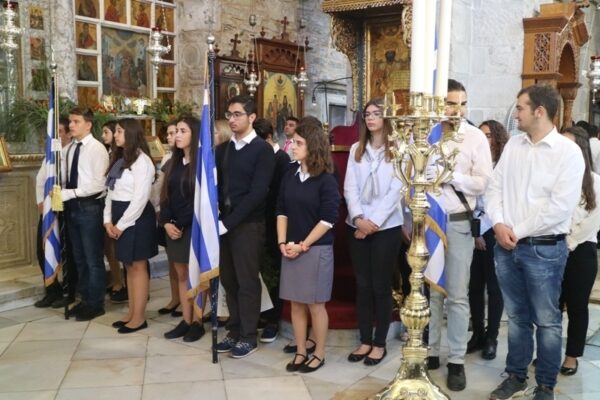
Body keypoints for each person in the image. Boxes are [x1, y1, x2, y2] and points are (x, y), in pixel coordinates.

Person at [486, 85, 584, 400]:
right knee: (516, 317)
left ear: (539, 111)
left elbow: (559, 208)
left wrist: (515, 230)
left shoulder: (568, 152)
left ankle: (545, 385)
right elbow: (494, 187)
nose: (515, 114)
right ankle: (516, 376)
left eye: (520, 108)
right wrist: (498, 224)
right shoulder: (514, 145)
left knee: (547, 320)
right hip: (506, 246)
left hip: (545, 249)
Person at [427, 79, 493, 392]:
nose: (458, 110)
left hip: (457, 221)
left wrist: (452, 176)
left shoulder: (475, 137)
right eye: (451, 104)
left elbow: (483, 182)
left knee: (456, 294)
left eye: (463, 103)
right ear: (439, 105)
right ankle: (431, 351)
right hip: (429, 221)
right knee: (432, 289)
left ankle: (455, 360)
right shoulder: (427, 134)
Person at [277, 120, 341, 373]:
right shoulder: (290, 175)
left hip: (316, 249)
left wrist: (303, 245)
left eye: (298, 143)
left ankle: (320, 353)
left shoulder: (325, 179)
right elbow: (281, 210)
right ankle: (301, 351)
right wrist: (282, 242)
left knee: (315, 305)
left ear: (312, 146)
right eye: (293, 142)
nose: (292, 146)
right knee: (295, 303)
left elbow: (328, 219)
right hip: (291, 247)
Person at [344, 97, 403, 366]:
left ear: (386, 117)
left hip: (386, 227)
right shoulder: (356, 149)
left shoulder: (398, 149)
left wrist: (373, 224)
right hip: (357, 225)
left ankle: (379, 343)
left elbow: (396, 190)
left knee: (381, 285)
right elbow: (350, 188)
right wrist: (359, 219)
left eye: (376, 113)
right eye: (367, 114)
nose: (370, 118)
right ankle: (365, 340)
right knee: (363, 285)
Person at [215, 95, 275, 358]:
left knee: (247, 281)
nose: (232, 119)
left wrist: (229, 222)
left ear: (251, 117)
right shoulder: (223, 149)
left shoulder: (262, 150)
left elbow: (258, 193)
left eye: (237, 114)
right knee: (229, 280)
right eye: (229, 114)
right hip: (224, 224)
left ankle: (249, 336)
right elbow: (218, 187)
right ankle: (235, 329)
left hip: (248, 225)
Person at [104, 118, 157, 333]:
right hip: (119, 216)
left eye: (119, 131)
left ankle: (139, 317)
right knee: (127, 264)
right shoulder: (119, 159)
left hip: (136, 218)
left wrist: (122, 225)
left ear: (131, 133)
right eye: (115, 131)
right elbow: (110, 192)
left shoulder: (142, 161)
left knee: (137, 266)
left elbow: (140, 198)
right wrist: (107, 220)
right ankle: (131, 312)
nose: (115, 135)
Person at [558, 126, 600, 376]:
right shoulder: (556, 178)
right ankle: (548, 351)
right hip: (553, 248)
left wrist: (568, 243)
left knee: (576, 306)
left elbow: (592, 223)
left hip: (581, 251)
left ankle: (571, 356)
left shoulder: (595, 182)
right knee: (550, 306)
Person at [159, 116, 206, 342]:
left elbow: (198, 201)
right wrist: (166, 222)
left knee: (196, 275)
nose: (177, 135)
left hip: (193, 227)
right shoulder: (173, 163)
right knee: (181, 274)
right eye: (176, 130)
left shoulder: (201, 164)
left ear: (194, 134)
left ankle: (197, 321)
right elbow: (165, 196)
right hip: (174, 227)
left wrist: (178, 223)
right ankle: (185, 320)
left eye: (182, 131)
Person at [61, 107, 109, 321]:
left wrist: (71, 193)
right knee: (79, 257)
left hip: (89, 207)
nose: (71, 125)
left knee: (92, 258)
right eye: (70, 121)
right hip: (72, 206)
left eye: (76, 121)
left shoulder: (97, 149)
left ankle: (96, 303)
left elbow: (99, 184)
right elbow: (67, 176)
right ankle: (85, 299)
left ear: (88, 125)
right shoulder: (70, 148)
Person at [466, 120, 509, 360]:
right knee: (474, 286)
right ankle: (478, 333)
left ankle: (492, 336)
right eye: (481, 135)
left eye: (489, 135)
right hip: (472, 228)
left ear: (498, 138)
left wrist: (483, 231)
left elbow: (498, 201)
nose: (485, 139)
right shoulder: (474, 162)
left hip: (495, 228)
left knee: (494, 286)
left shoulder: (503, 165)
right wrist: (475, 232)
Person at [253, 118, 291, 343]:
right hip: (260, 223)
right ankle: (264, 313)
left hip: (275, 223)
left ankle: (274, 319)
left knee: (275, 273)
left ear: (268, 138)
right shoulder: (261, 156)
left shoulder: (282, 159)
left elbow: (280, 196)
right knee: (262, 272)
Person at [34, 118, 77, 308]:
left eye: (59, 131)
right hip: (47, 210)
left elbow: (68, 182)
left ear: (68, 134)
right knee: (43, 250)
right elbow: (41, 180)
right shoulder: (50, 155)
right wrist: (40, 202)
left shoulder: (72, 153)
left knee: (67, 253)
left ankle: (69, 291)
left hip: (64, 209)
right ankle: (52, 290)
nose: (56, 135)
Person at [154, 121, 182, 318]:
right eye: (170, 133)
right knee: (172, 260)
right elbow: (160, 189)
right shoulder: (167, 157)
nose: (171, 137)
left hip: (181, 217)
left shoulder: (189, 159)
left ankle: (186, 303)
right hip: (166, 214)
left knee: (183, 264)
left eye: (176, 132)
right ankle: (175, 298)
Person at [100, 121, 128, 304]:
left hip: (122, 208)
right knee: (108, 247)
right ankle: (117, 281)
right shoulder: (109, 153)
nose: (104, 136)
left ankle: (123, 284)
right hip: (108, 205)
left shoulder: (125, 156)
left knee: (120, 250)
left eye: (107, 132)